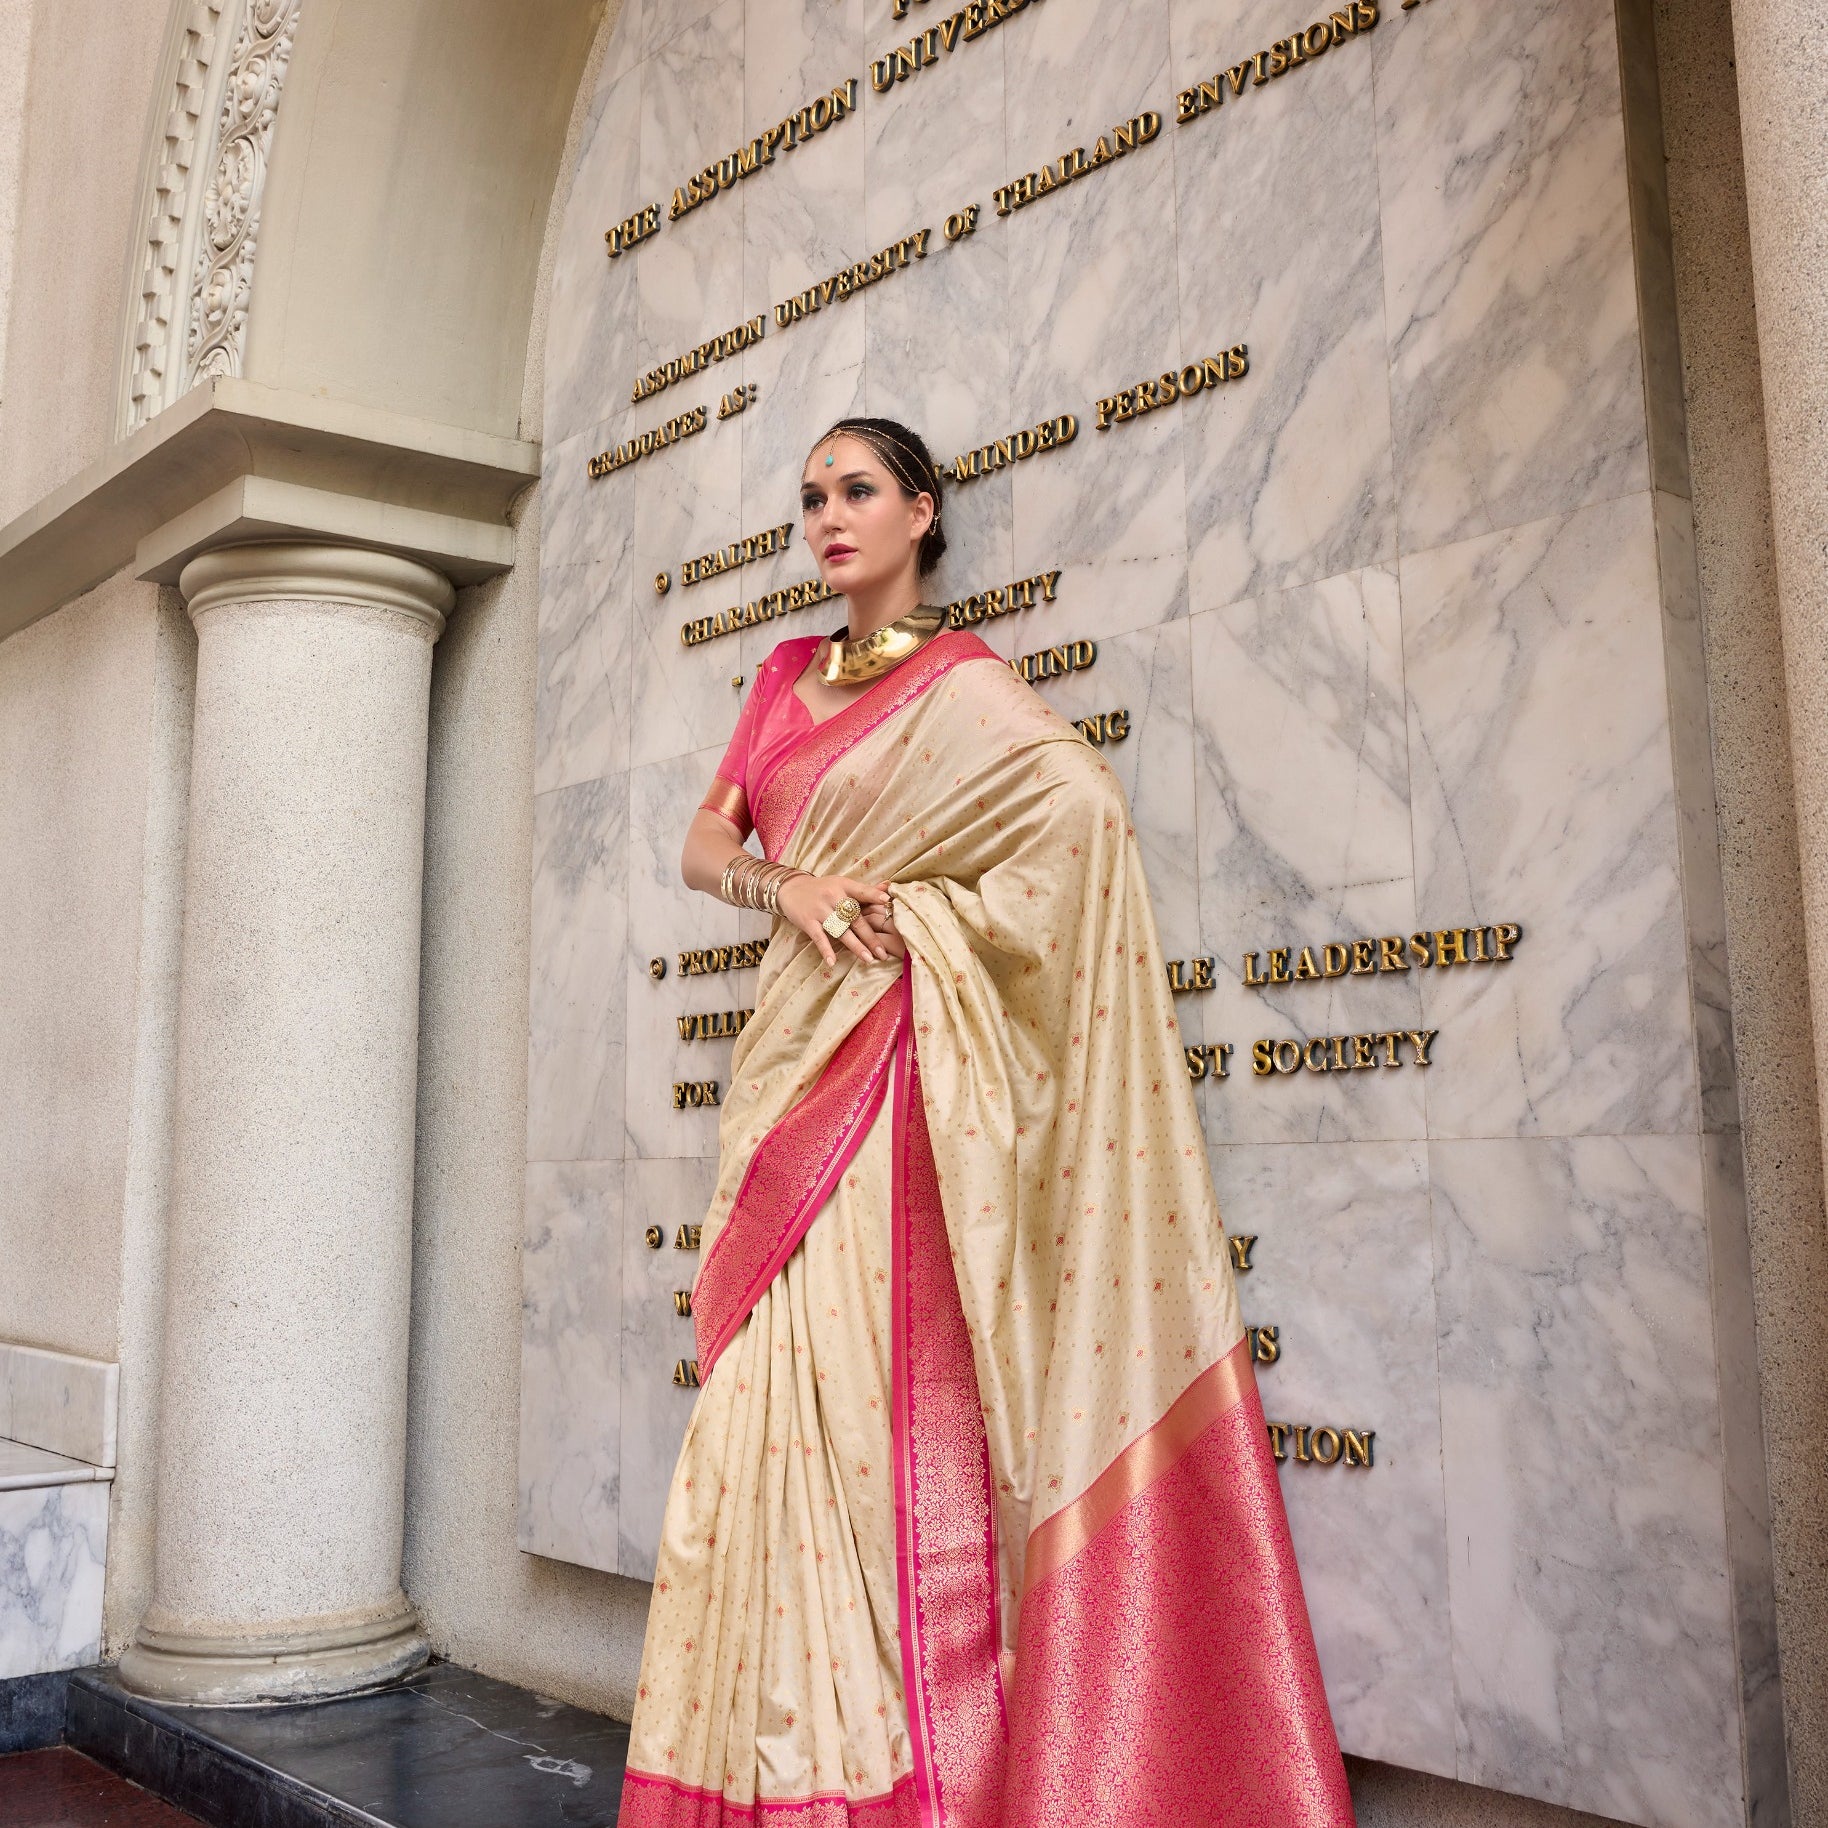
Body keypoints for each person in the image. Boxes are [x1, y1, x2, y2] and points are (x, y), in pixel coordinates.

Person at [619, 417, 1355, 1827]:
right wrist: (795, 892)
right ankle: (774, 1773)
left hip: (893, 1081)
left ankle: (898, 1779)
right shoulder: (780, 679)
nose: (829, 518)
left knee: (863, 1424)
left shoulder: (963, 689)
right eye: (812, 499)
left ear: (921, 512)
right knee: (759, 1421)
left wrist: (919, 927)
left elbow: (1080, 825)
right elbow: (708, 844)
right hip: (787, 1070)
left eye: (856, 493)